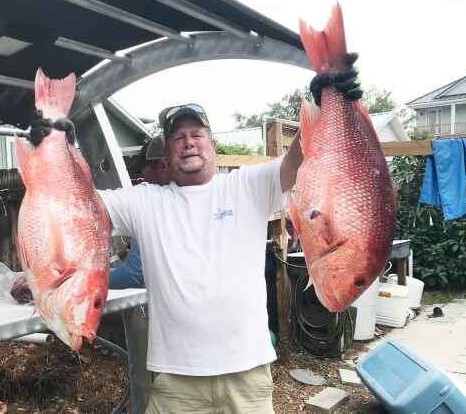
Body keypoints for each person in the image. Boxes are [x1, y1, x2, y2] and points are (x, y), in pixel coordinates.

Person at [28, 64, 360, 413]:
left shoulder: (246, 187)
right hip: (176, 383)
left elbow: (299, 158)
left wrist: (328, 99)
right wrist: (50, 145)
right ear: (167, 154)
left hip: (245, 376)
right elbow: (75, 208)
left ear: (212, 144)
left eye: (196, 134)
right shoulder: (146, 202)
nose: (188, 142)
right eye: (177, 137)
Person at [109, 135, 170, 289]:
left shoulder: (157, 206)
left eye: (145, 172)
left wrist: (82, 282)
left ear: (163, 166)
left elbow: (133, 275)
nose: (144, 179)